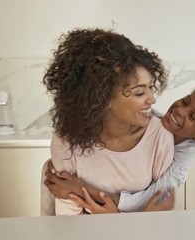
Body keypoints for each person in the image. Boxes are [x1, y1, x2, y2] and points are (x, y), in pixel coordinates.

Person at [45, 85, 195, 213]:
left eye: (193, 116)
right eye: (185, 101)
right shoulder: (144, 118)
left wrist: (87, 191)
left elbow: (149, 200)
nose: (180, 111)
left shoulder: (184, 156)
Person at [43, 27, 178, 215]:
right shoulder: (66, 140)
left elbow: (161, 212)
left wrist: (114, 217)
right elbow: (69, 220)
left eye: (150, 88)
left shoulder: (159, 136)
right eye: (140, 92)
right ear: (103, 98)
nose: (152, 100)